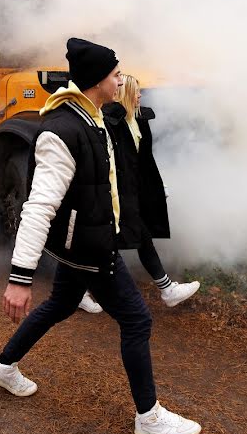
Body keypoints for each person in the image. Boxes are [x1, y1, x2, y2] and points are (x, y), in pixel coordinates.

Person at [0, 38, 202, 434]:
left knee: (61, 303)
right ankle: (149, 418)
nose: (121, 80)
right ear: (97, 80)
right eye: (116, 74)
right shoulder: (62, 131)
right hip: (87, 248)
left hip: (83, 241)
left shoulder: (92, 117)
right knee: (137, 320)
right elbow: (38, 207)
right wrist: (19, 277)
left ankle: (3, 366)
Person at [78, 74, 200, 314]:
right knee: (108, 241)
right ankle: (165, 290)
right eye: (137, 91)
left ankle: (166, 290)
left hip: (130, 192)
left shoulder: (139, 120)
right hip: (114, 192)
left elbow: (142, 161)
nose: (141, 95)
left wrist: (154, 187)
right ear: (126, 94)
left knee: (135, 237)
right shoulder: (111, 122)